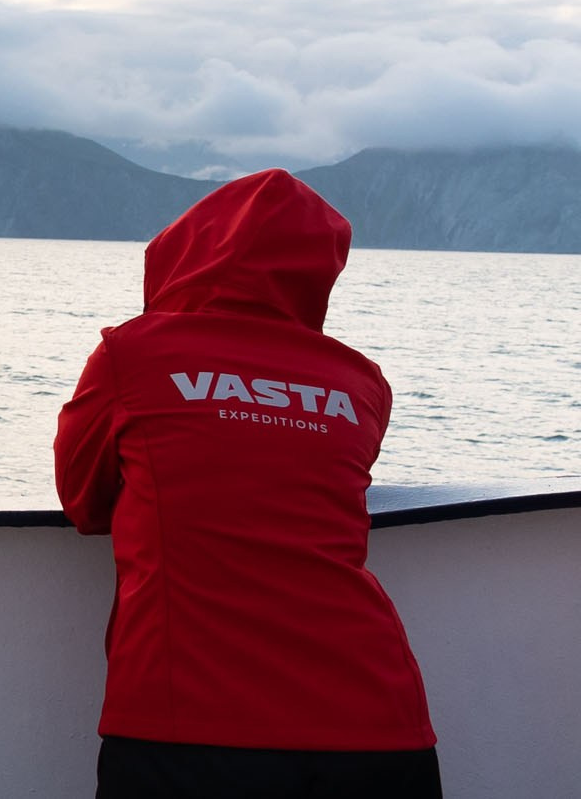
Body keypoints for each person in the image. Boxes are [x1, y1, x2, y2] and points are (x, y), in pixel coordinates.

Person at [54, 169, 440, 799]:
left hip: (187, 727)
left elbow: (84, 502)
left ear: (188, 248)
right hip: (378, 726)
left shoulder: (132, 354)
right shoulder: (362, 382)